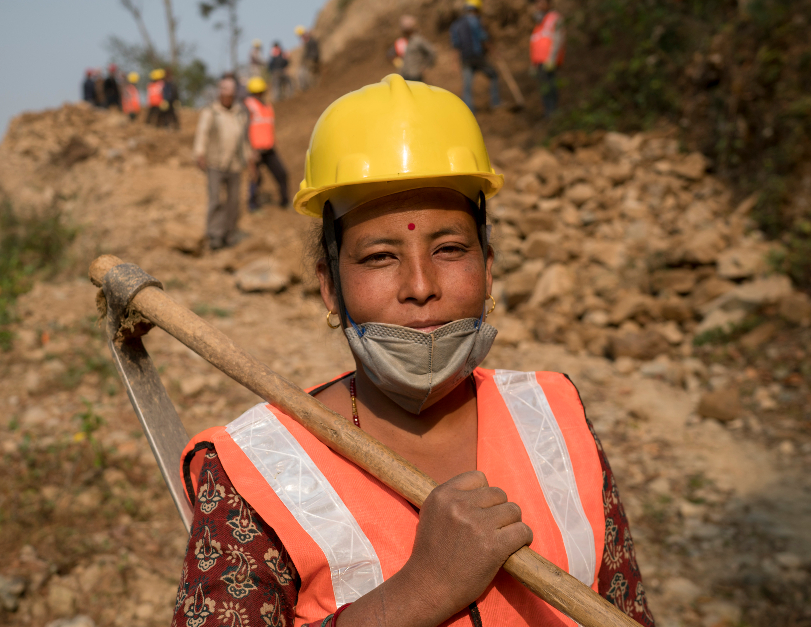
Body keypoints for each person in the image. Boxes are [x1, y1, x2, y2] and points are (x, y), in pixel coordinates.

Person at [172, 75, 655, 627]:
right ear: (330, 287)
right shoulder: (257, 469)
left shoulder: (555, 416)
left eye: (449, 249)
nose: (421, 286)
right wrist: (423, 590)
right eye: (380, 257)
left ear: (489, 269)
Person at [192, 76, 250, 250]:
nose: (227, 96)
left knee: (233, 201)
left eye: (230, 93)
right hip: (215, 163)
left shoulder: (240, 112)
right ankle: (215, 235)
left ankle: (229, 234)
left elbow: (243, 139)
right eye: (224, 92)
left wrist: (249, 158)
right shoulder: (211, 111)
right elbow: (202, 133)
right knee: (216, 199)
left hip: (234, 164)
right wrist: (199, 153)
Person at [243, 76, 290, 211]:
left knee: (282, 174)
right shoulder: (248, 105)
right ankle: (252, 206)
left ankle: (285, 202)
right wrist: (250, 150)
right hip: (255, 150)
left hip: (269, 149)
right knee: (255, 177)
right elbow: (244, 129)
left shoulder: (267, 106)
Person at [449, 0, 501, 111]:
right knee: (494, 75)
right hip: (477, 56)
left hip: (465, 59)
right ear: (477, 9)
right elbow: (484, 38)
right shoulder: (476, 21)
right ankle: (495, 102)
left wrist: (455, 62)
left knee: (467, 86)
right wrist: (494, 52)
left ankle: (468, 110)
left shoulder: (456, 25)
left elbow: (455, 45)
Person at [530, 0, 565, 118]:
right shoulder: (539, 20)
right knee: (544, 86)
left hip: (548, 60)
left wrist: (552, 58)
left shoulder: (554, 17)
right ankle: (548, 112)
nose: (539, 5)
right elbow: (536, 41)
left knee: (550, 86)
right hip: (539, 60)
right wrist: (533, 63)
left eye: (542, 2)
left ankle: (552, 112)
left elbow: (558, 38)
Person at [391, 15, 437, 83]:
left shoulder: (418, 40)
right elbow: (392, 53)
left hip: (415, 75)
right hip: (404, 75)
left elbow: (432, 52)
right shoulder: (401, 41)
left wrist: (425, 67)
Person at [297, 26, 320, 91]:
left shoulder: (309, 42)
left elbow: (307, 53)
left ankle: (312, 86)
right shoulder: (312, 41)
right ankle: (312, 85)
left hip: (311, 59)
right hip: (313, 58)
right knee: (311, 72)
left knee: (310, 73)